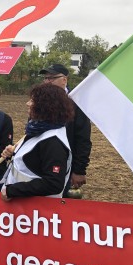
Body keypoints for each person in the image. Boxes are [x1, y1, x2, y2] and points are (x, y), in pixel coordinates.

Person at [0, 83, 75, 200]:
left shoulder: (53, 142)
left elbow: (53, 184)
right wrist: (13, 154)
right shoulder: (38, 130)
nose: (28, 103)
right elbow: (32, 162)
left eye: (32, 101)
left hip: (37, 212)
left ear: (45, 106)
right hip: (22, 210)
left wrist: (12, 191)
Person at [39, 64, 92, 197]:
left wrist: (79, 170)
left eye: (51, 78)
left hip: (64, 168)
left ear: (64, 80)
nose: (47, 82)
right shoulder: (40, 102)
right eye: (45, 78)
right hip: (40, 165)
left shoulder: (76, 104)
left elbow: (83, 138)